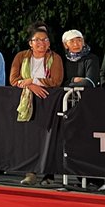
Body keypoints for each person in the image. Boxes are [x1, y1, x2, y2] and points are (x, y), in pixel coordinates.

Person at [9, 30, 64, 186]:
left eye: (45, 39)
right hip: (27, 100)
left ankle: (48, 175)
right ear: (30, 43)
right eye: (37, 40)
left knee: (48, 137)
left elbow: (56, 81)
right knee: (30, 139)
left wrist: (31, 80)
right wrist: (31, 85)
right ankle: (30, 173)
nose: (42, 43)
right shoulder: (21, 57)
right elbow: (14, 79)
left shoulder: (55, 58)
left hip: (48, 100)